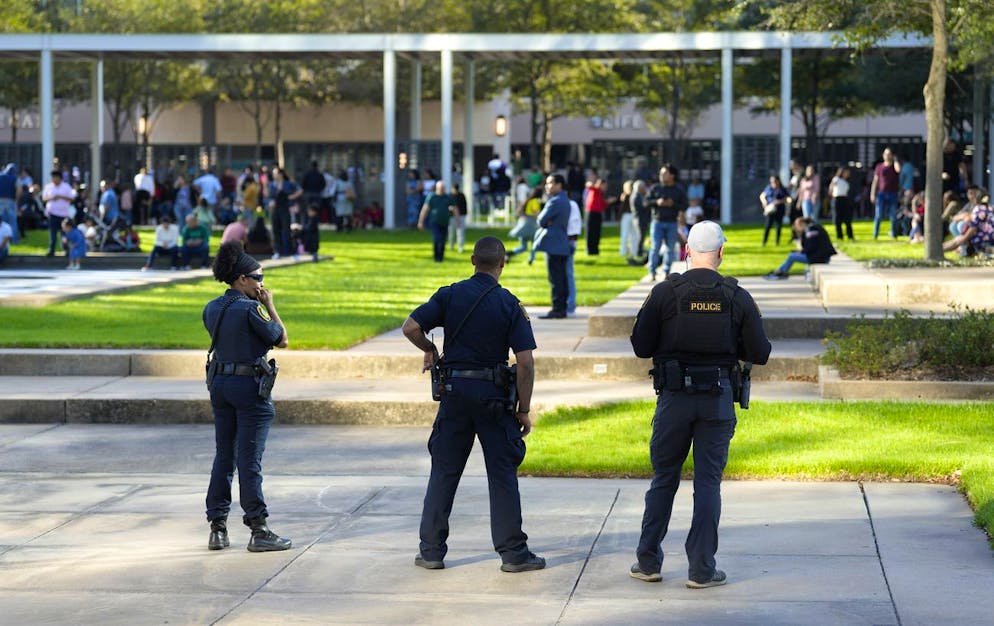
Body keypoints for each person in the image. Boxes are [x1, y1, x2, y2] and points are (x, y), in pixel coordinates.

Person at [629, 220, 771, 589]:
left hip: (674, 399)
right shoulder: (735, 296)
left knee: (664, 479)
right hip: (717, 399)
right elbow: (760, 351)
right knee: (708, 483)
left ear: (687, 251)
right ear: (721, 252)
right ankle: (701, 570)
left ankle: (648, 562)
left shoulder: (665, 293)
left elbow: (641, 346)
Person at [401, 236, 545, 573]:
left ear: (471, 260)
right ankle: (513, 553)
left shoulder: (449, 295)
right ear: (503, 263)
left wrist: (430, 349)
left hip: (454, 395)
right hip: (494, 399)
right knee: (502, 474)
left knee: (444, 471)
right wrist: (523, 408)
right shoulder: (509, 304)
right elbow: (525, 362)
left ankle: (432, 550)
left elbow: (410, 327)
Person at [203, 241, 291, 553]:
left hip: (220, 386)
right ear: (242, 279)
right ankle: (259, 528)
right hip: (248, 389)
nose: (262, 284)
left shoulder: (212, 307)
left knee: (223, 455)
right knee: (249, 459)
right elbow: (282, 339)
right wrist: (270, 305)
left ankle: (217, 527)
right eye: (258, 278)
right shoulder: (251, 308)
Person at [533, 174, 571, 319]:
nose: (546, 186)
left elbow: (541, 220)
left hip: (554, 244)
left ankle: (557, 309)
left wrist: (545, 220)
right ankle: (562, 308)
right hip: (561, 244)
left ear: (559, 185)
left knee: (555, 279)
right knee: (561, 278)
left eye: (550, 183)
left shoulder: (555, 201)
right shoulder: (564, 199)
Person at [646, 164, 687, 281]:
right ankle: (652, 272)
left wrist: (673, 204)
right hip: (657, 222)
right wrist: (657, 202)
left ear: (672, 175)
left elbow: (685, 205)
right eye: (660, 173)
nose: (661, 175)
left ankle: (666, 272)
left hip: (672, 223)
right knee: (655, 247)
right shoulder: (655, 188)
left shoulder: (678, 190)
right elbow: (645, 202)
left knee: (670, 248)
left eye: (664, 173)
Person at [764, 217, 836, 279]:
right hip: (821, 256)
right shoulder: (813, 227)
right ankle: (780, 271)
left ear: (801, 224)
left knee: (792, 256)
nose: (797, 230)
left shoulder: (811, 230)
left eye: (797, 227)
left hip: (820, 258)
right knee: (793, 254)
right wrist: (801, 251)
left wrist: (801, 252)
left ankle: (780, 272)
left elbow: (812, 246)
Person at [943, 190, 993, 257]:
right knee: (957, 239)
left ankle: (938, 250)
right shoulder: (990, 208)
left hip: (983, 238)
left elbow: (974, 227)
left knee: (958, 240)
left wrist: (964, 238)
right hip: (989, 237)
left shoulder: (979, 209)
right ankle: (940, 248)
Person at [418, 181, 455, 263]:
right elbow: (425, 209)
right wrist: (421, 221)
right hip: (435, 221)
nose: (442, 190)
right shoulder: (431, 197)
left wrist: (457, 219)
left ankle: (440, 257)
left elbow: (455, 209)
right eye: (440, 188)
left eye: (443, 188)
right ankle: (436, 256)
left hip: (445, 222)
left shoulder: (448, 197)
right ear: (437, 188)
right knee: (437, 238)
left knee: (443, 239)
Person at [42, 170, 75, 257]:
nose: (53, 179)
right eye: (52, 178)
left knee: (64, 233)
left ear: (60, 178)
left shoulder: (66, 187)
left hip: (63, 214)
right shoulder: (48, 187)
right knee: (53, 233)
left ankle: (66, 249)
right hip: (52, 213)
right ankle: (51, 250)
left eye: (55, 177)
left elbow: (71, 199)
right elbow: (44, 199)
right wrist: (52, 197)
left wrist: (61, 197)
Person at [870, 147, 901, 239]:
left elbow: (898, 170)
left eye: (889, 154)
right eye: (886, 154)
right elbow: (875, 181)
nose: (887, 156)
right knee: (878, 215)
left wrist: (895, 160)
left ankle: (894, 234)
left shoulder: (894, 165)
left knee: (893, 216)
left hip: (893, 193)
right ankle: (875, 235)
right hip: (881, 194)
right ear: (883, 156)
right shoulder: (879, 167)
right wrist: (872, 193)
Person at [508, 186, 541, 258]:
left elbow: (519, 213)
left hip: (523, 224)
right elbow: (536, 212)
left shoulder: (527, 200)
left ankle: (509, 253)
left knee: (523, 247)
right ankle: (531, 259)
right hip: (531, 225)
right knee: (534, 243)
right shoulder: (535, 201)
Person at [759, 175, 788, 246]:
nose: (773, 183)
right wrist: (764, 202)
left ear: (778, 181)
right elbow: (762, 195)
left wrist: (780, 201)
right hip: (770, 210)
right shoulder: (769, 188)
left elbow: (787, 199)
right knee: (768, 226)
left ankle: (777, 242)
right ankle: (764, 242)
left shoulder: (782, 189)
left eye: (774, 181)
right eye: (771, 181)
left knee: (778, 227)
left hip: (779, 209)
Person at [828, 167, 854, 241]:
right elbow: (831, 187)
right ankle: (840, 236)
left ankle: (850, 236)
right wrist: (832, 194)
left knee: (847, 218)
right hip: (837, 199)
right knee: (837, 218)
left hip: (844, 199)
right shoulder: (836, 179)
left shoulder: (846, 182)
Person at [584, 178, 606, 255]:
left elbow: (603, 205)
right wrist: (592, 184)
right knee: (590, 231)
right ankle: (589, 250)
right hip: (591, 212)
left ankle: (595, 250)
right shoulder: (595, 189)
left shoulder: (601, 193)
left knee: (597, 232)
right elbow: (589, 185)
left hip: (598, 213)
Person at [0, 163, 19, 244]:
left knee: (2, 222)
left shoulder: (0, 176)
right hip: (11, 200)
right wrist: (16, 200)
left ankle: (3, 239)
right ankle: (14, 240)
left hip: (0, 201)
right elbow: (19, 190)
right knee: (12, 221)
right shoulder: (15, 178)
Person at [449, 182, 468, 253]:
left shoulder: (461, 196)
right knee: (451, 232)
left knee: (460, 232)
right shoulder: (450, 196)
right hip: (452, 217)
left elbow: (464, 206)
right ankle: (451, 245)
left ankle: (460, 246)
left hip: (461, 216)